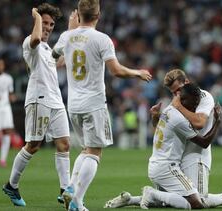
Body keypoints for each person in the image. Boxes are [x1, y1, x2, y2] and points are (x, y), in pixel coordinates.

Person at [52, 0, 152, 210]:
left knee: (86, 150)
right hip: (94, 103)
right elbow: (116, 71)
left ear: (78, 14)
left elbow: (53, 60)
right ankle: (77, 201)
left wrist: (70, 32)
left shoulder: (66, 36)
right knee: (94, 153)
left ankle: (69, 188)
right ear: (98, 15)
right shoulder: (102, 39)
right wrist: (137, 72)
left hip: (73, 104)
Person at [105, 69, 222, 208]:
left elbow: (199, 123)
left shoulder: (203, 97)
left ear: (186, 82)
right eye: (173, 92)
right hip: (176, 156)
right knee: (180, 200)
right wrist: (156, 118)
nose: (176, 95)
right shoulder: (180, 102)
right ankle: (133, 199)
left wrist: (179, 106)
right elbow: (165, 128)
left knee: (199, 200)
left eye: (178, 90)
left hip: (196, 154)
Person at [2, 3, 71, 207]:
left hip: (56, 100)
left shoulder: (48, 48)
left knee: (64, 143)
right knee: (33, 146)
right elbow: (35, 38)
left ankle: (65, 190)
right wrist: (37, 18)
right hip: (38, 100)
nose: (48, 27)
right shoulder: (29, 42)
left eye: (51, 24)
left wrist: (73, 32)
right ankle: (11, 185)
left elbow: (56, 61)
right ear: (38, 22)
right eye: (45, 23)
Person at [141, 83, 221, 209]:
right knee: (196, 204)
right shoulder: (179, 119)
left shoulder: (168, 110)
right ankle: (152, 193)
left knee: (172, 202)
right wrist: (217, 122)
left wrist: (155, 117)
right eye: (193, 103)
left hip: (157, 165)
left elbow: (158, 128)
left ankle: (130, 199)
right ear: (186, 100)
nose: (195, 107)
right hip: (167, 167)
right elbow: (204, 142)